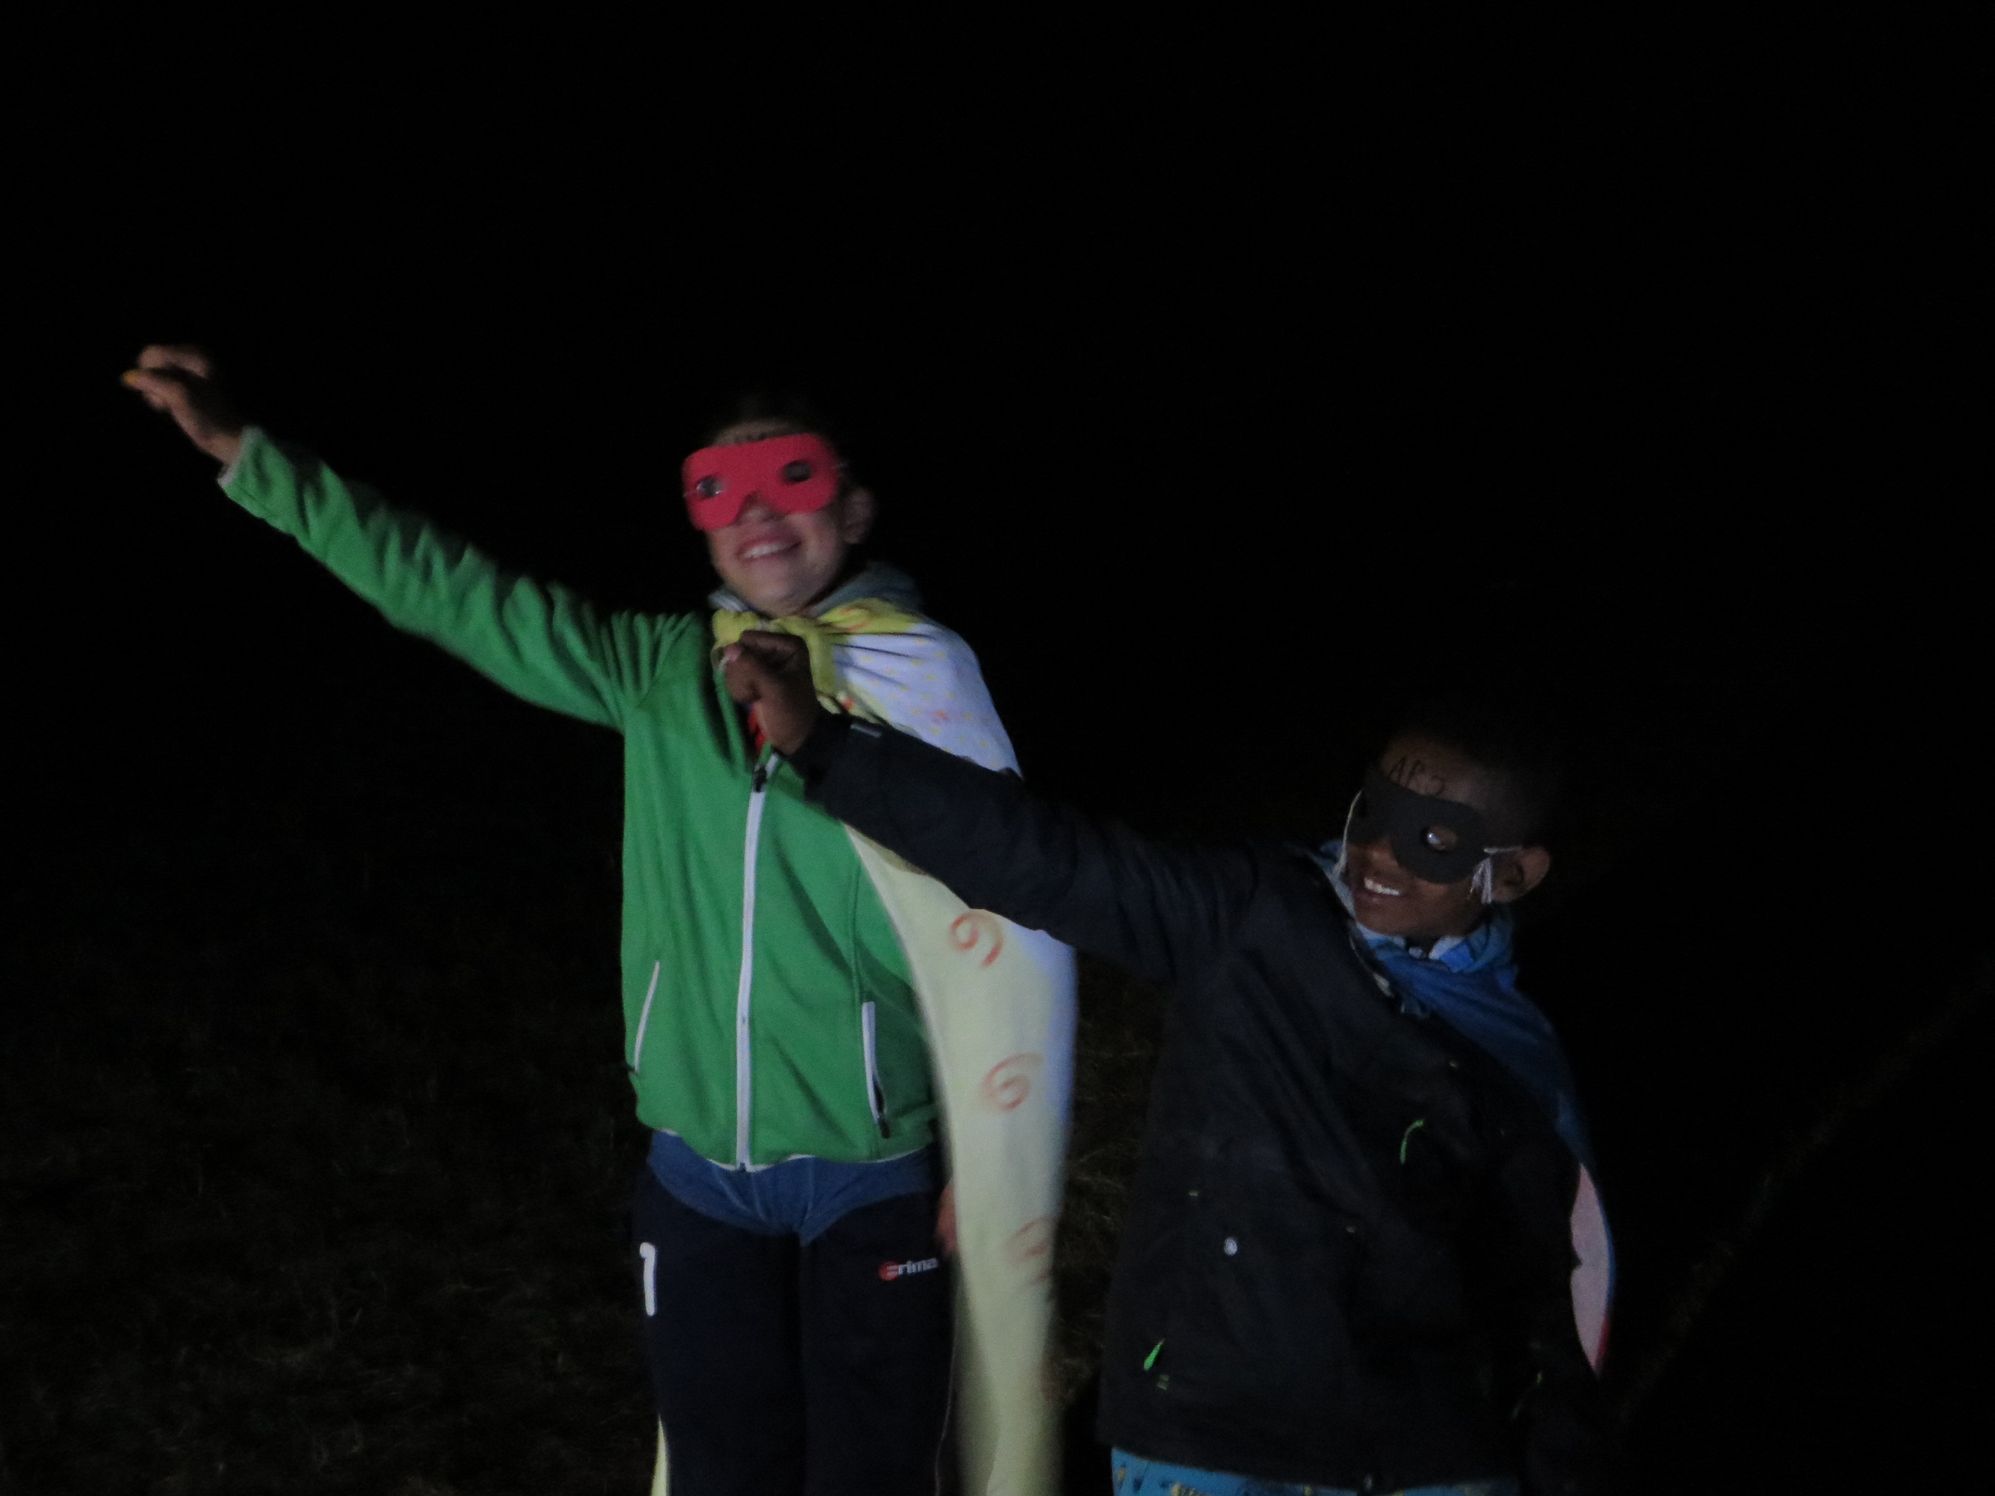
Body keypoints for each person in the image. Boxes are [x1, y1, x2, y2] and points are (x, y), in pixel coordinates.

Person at [123, 347, 1077, 1496]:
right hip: (698, 1176)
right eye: (720, 490)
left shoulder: (927, 683)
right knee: (724, 1468)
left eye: (793, 476)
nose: (758, 512)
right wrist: (246, 454)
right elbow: (452, 590)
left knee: (873, 1471)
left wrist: (989, 1152)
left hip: (874, 1172)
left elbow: (1011, 928)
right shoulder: (656, 670)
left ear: (856, 507)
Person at [723, 631, 1615, 1495]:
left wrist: (1556, 1456)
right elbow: (1042, 856)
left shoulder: (1512, 1056)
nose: (1378, 853)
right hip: (1204, 1426)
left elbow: (1547, 1289)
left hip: (1415, 1444)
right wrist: (824, 745)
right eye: (1372, 813)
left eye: (1435, 840)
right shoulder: (1251, 918)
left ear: (1513, 874)